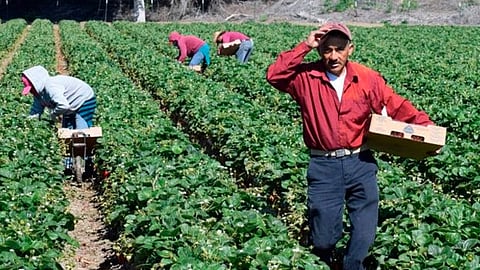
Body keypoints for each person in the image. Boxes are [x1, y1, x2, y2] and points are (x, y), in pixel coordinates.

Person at [266, 22, 438, 270]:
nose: (333, 56)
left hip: (360, 162)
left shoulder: (366, 78)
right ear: (319, 50)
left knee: (364, 233)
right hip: (323, 165)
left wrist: (427, 131)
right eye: (327, 49)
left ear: (350, 49)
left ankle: (352, 266)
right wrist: (305, 45)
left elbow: (396, 106)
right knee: (323, 237)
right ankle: (323, 261)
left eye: (339, 49)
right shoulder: (306, 78)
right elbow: (274, 75)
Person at [21, 65, 96, 129]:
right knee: (67, 130)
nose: (31, 92)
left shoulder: (51, 86)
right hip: (70, 104)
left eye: (31, 89)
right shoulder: (38, 94)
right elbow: (36, 110)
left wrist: (54, 114)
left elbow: (64, 106)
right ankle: (72, 144)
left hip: (84, 98)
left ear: (37, 84)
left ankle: (86, 143)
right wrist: (29, 123)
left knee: (80, 126)